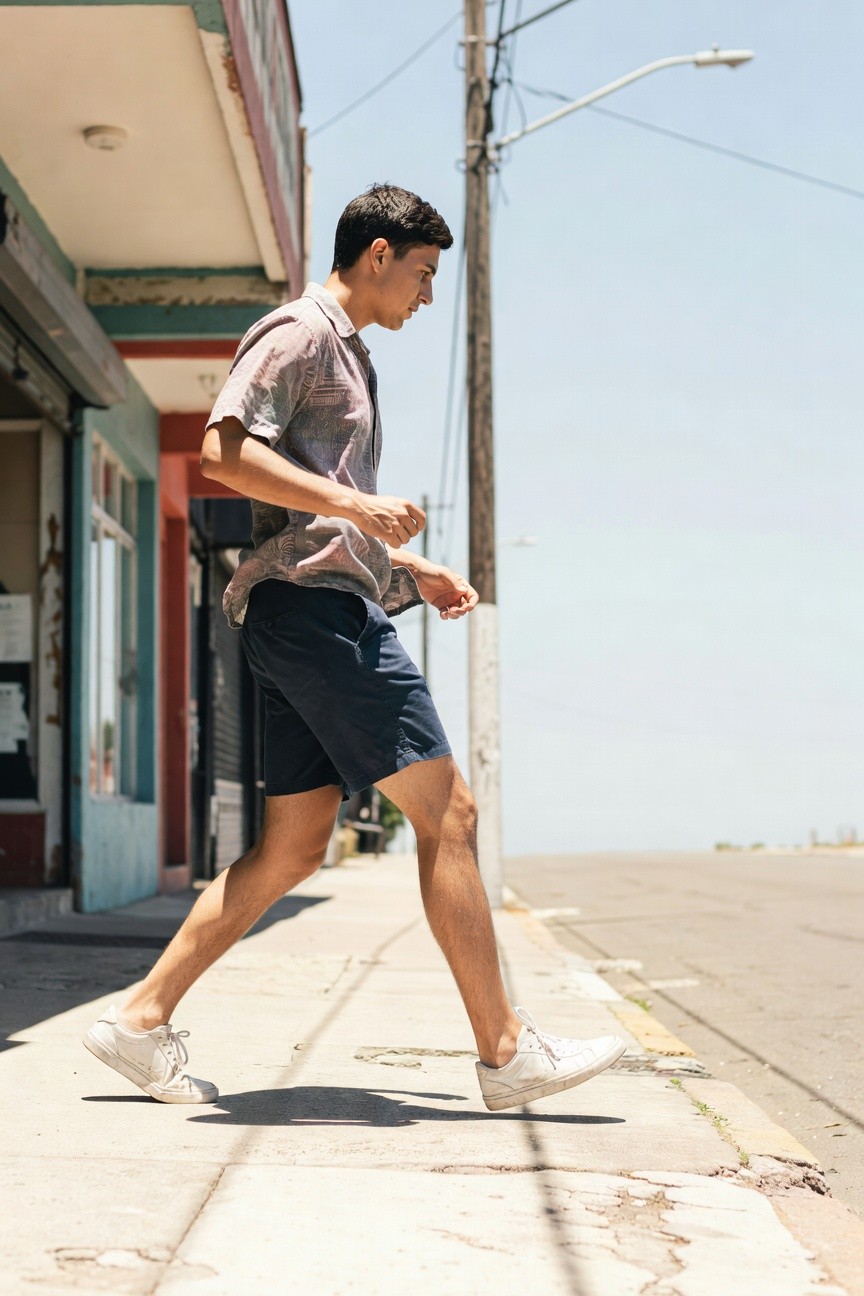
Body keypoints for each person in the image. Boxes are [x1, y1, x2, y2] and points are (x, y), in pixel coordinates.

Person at [84, 184, 625, 1111]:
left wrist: (410, 569)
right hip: (314, 615)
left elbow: (323, 521)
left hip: (307, 605)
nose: (423, 295)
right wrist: (356, 507)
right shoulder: (297, 333)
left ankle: (138, 1022)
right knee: (448, 812)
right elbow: (220, 452)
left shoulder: (351, 358)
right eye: (420, 274)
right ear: (377, 254)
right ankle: (506, 1052)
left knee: (293, 850)